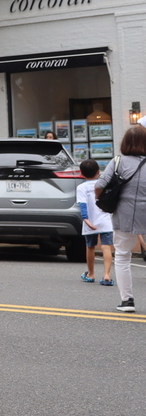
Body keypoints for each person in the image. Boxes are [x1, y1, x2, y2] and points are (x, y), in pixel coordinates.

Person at [95, 125, 146, 312]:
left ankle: (127, 301)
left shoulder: (118, 161)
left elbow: (99, 184)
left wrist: (99, 201)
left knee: (123, 257)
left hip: (125, 214)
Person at [76, 158, 113, 285]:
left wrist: (86, 220)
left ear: (81, 173)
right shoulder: (103, 185)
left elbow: (82, 205)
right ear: (98, 172)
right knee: (106, 246)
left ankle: (91, 274)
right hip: (105, 220)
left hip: (90, 221)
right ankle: (107, 275)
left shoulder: (81, 187)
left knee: (90, 247)